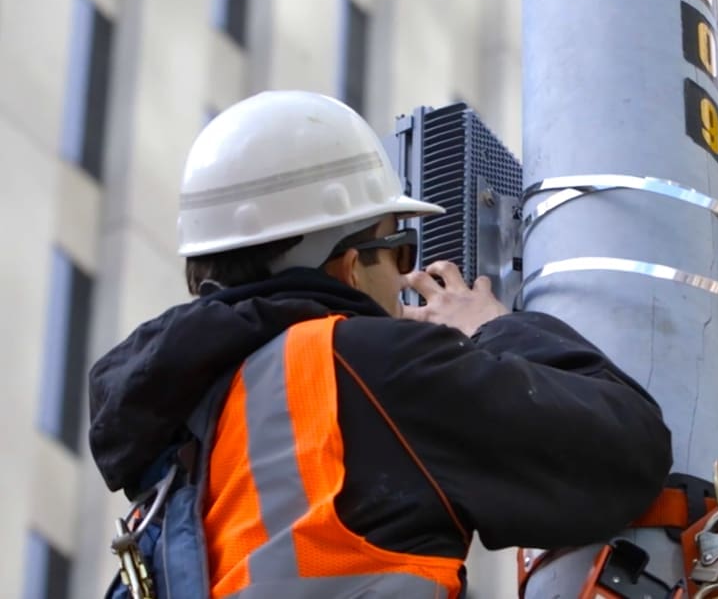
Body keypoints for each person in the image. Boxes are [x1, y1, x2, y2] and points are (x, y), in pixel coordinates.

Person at [88, 91, 673, 598]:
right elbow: (625, 450)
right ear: (348, 266)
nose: (404, 277)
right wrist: (492, 326)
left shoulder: (192, 424)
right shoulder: (362, 363)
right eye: (399, 251)